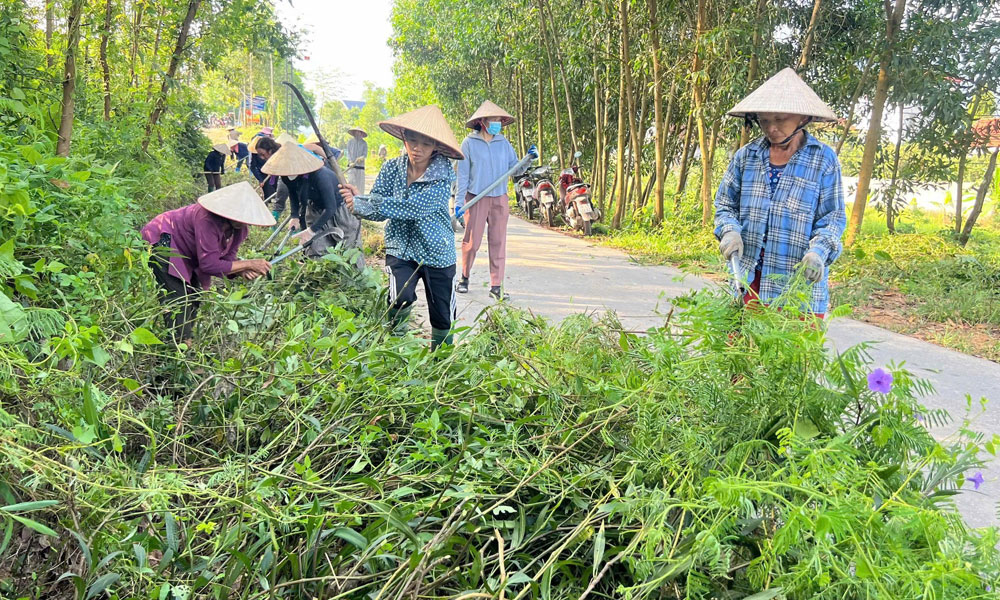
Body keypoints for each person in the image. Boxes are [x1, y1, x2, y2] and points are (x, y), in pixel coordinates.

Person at [714, 67, 846, 318]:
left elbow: (832, 218)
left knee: (792, 344)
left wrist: (818, 252)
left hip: (797, 289)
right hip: (748, 280)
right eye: (764, 121)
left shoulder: (823, 159)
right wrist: (729, 230)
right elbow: (725, 204)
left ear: (802, 118)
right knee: (741, 341)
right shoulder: (746, 156)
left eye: (780, 119)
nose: (771, 128)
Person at [339, 105, 463, 349]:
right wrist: (358, 203)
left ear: (435, 146)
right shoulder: (391, 169)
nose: (417, 148)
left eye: (425, 144)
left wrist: (365, 202)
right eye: (412, 140)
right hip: (400, 247)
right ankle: (396, 350)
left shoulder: (443, 175)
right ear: (404, 138)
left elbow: (415, 208)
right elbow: (377, 209)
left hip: (437, 251)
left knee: (442, 313)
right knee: (399, 297)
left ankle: (442, 359)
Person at [140, 181, 274, 344]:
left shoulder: (240, 230)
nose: (241, 221)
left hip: (189, 253)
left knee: (194, 295)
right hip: (164, 239)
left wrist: (241, 270)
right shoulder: (206, 218)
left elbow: (227, 260)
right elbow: (209, 265)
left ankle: (183, 341)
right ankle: (179, 346)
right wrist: (248, 264)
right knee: (178, 297)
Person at [454, 101, 533, 301]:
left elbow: (515, 169)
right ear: (482, 121)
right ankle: (464, 277)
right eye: (494, 119)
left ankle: (496, 286)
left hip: (499, 198)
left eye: (499, 120)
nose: (497, 123)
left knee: (498, 241)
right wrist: (459, 202)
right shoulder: (469, 143)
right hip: (476, 197)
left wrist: (529, 159)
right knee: (472, 242)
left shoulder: (503, 143)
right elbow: (463, 175)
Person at [261, 141, 363, 266]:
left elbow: (330, 207)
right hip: (315, 208)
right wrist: (294, 216)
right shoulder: (286, 176)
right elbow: (293, 193)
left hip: (338, 209)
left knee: (349, 250)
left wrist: (312, 230)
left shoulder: (321, 176)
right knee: (317, 249)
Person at [250, 137, 282, 221]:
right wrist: (260, 179)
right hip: (265, 174)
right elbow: (253, 167)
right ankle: (271, 218)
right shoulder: (257, 156)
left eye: (263, 154)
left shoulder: (282, 155)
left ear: (270, 150)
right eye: (259, 155)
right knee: (271, 196)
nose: (262, 157)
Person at [346, 127, 369, 194]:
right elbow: (348, 153)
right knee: (351, 182)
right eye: (356, 132)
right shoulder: (350, 142)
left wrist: (361, 158)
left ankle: (360, 197)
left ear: (361, 134)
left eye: (359, 132)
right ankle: (350, 196)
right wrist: (350, 162)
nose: (358, 133)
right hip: (351, 167)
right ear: (354, 133)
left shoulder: (364, 143)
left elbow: (365, 154)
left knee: (360, 185)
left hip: (360, 167)